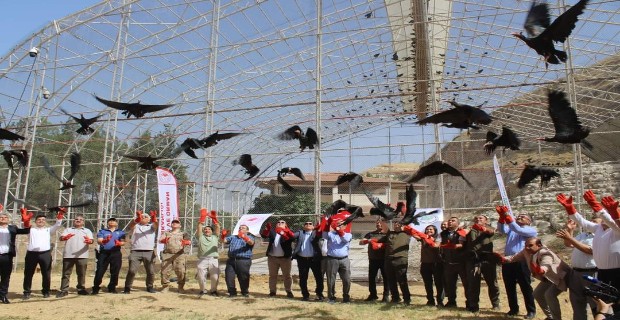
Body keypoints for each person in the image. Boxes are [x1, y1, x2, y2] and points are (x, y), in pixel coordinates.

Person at [557, 191, 620, 314]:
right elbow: (582, 222)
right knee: (606, 305)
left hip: (617, 274)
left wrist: (595, 205)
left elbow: (612, 222)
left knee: (617, 305)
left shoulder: (616, 231)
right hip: (603, 274)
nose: (604, 219)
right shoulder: (599, 229)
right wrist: (570, 209)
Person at [499, 237, 588, 320]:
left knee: (549, 295)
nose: (527, 248)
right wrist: (503, 259)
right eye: (526, 245)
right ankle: (550, 317)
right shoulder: (526, 252)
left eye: (530, 245)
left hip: (562, 277)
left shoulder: (545, 252)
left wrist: (542, 270)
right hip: (549, 278)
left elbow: (547, 264)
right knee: (537, 294)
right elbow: (514, 257)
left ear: (539, 245)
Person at [496, 205, 537, 319]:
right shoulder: (512, 229)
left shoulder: (530, 230)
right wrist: (501, 217)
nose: (519, 217)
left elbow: (517, 229)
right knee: (509, 286)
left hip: (521, 261)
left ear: (529, 221)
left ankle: (531, 310)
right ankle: (513, 309)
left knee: (525, 286)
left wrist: (507, 216)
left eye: (523, 217)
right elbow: (501, 229)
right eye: (518, 216)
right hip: (508, 260)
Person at [556, 217, 599, 317]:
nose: (590, 223)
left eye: (594, 222)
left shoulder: (599, 237)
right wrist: (570, 230)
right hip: (575, 273)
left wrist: (569, 237)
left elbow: (589, 250)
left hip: (590, 273)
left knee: (595, 303)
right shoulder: (583, 235)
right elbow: (568, 244)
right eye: (590, 221)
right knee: (577, 303)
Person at [23, 209, 63, 299]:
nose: (41, 221)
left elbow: (57, 225)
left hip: (45, 254)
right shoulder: (31, 230)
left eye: (43, 220)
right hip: (31, 254)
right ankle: (26, 292)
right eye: (39, 220)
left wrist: (60, 214)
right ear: (36, 221)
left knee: (46, 274)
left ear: (45, 222)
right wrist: (25, 220)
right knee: (28, 274)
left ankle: (46, 291)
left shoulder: (49, 230)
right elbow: (25, 226)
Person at [464, 214, 500, 312]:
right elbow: (463, 234)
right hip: (473, 259)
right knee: (473, 283)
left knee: (492, 283)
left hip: (487, 259)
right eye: (476, 218)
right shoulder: (470, 229)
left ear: (486, 221)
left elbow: (491, 232)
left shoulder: (489, 228)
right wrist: (467, 229)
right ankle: (473, 306)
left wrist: (481, 228)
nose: (478, 219)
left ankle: (495, 303)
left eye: (480, 218)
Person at [56, 214, 94, 297]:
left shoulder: (87, 231)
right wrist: (64, 238)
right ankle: (64, 290)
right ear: (74, 221)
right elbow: (61, 238)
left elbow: (91, 240)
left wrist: (89, 241)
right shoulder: (68, 230)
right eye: (76, 219)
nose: (78, 220)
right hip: (68, 255)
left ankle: (81, 289)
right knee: (66, 273)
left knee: (81, 273)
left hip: (82, 255)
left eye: (80, 219)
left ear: (83, 222)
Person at [0, 205, 31, 304]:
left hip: (7, 256)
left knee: (5, 276)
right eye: (1, 217)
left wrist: (26, 222)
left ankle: (3, 295)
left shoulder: (12, 228)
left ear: (8, 220)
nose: (3, 218)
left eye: (5, 217)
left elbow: (26, 231)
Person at [123, 210, 158, 294]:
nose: (144, 217)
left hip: (149, 251)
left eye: (146, 217)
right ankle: (127, 287)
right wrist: (137, 219)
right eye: (142, 216)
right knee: (132, 270)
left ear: (149, 219)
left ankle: (150, 286)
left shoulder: (151, 227)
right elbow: (131, 225)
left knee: (150, 271)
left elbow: (156, 225)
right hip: (135, 251)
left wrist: (154, 217)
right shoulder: (136, 226)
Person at [379, 221, 412, 305]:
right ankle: (395, 298)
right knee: (391, 280)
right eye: (395, 223)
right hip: (389, 259)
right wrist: (382, 216)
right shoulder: (390, 233)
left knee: (402, 280)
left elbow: (411, 226)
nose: (396, 225)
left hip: (400, 259)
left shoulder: (407, 233)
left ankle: (406, 299)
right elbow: (384, 226)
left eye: (398, 224)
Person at [439, 216, 469, 309]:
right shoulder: (444, 233)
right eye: (449, 221)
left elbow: (461, 245)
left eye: (453, 221)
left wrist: (452, 246)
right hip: (448, 262)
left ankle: (469, 303)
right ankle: (451, 302)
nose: (450, 222)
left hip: (460, 262)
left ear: (458, 223)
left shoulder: (461, 232)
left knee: (466, 283)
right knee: (450, 284)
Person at [323, 213, 352, 303]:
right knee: (331, 279)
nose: (339, 225)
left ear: (345, 226)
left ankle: (346, 296)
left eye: (341, 224)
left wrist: (339, 230)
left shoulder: (348, 234)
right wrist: (327, 222)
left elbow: (345, 239)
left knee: (347, 279)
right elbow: (324, 234)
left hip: (344, 259)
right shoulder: (331, 234)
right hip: (332, 259)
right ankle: (331, 297)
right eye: (338, 224)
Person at [261, 219, 295, 298]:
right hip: (272, 258)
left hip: (285, 258)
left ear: (285, 225)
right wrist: (267, 229)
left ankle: (289, 291)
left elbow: (292, 238)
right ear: (276, 225)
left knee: (287, 275)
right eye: (278, 222)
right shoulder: (273, 231)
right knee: (272, 275)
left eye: (282, 222)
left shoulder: (289, 231)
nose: (280, 223)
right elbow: (264, 236)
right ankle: (272, 291)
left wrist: (283, 233)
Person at [411, 224, 443, 306]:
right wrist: (408, 228)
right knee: (428, 284)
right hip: (425, 263)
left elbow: (436, 246)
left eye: (431, 229)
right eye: (427, 229)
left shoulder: (438, 237)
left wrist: (429, 239)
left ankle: (440, 301)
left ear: (435, 231)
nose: (429, 231)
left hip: (436, 263)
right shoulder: (423, 238)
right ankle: (430, 300)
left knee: (438, 283)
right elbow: (415, 235)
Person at [92, 217, 126, 294]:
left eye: (114, 221)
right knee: (100, 270)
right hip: (104, 253)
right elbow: (99, 241)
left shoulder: (121, 232)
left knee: (115, 271)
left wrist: (119, 243)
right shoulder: (102, 231)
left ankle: (112, 287)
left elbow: (123, 242)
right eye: (110, 221)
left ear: (117, 224)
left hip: (116, 253)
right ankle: (96, 287)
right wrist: (105, 240)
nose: (112, 222)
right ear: (107, 223)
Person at [292, 220, 324, 301]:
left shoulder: (316, 233)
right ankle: (305, 295)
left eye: (310, 224)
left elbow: (321, 234)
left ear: (313, 226)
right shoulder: (300, 233)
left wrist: (319, 227)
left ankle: (319, 294)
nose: (308, 225)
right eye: (306, 223)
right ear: (303, 226)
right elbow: (291, 236)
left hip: (314, 259)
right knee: (303, 278)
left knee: (319, 277)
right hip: (302, 259)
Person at [359, 217, 389, 302]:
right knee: (372, 278)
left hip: (384, 259)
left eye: (380, 223)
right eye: (377, 223)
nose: (378, 225)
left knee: (386, 278)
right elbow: (360, 242)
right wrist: (367, 241)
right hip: (373, 259)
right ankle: (373, 295)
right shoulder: (370, 234)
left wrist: (382, 244)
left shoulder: (387, 234)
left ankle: (386, 296)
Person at [159, 219, 191, 293]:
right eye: (173, 223)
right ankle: (165, 286)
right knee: (165, 271)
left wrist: (186, 242)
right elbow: (160, 240)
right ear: (171, 225)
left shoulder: (183, 233)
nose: (174, 224)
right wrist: (164, 240)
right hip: (167, 254)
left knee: (181, 271)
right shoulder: (166, 233)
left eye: (176, 223)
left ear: (180, 225)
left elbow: (189, 242)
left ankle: (181, 287)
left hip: (179, 254)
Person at [223, 224, 255, 297]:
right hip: (231, 260)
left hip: (243, 260)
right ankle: (232, 292)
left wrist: (244, 237)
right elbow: (224, 241)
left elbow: (251, 243)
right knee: (229, 276)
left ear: (247, 230)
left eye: (243, 228)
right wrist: (223, 236)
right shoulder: (233, 237)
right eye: (239, 228)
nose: (240, 229)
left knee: (243, 277)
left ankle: (244, 292)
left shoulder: (250, 237)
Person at [196, 209, 220, 296]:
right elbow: (199, 226)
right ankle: (203, 290)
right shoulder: (200, 237)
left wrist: (215, 220)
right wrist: (202, 218)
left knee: (214, 277)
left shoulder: (215, 237)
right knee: (201, 277)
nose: (207, 230)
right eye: (205, 229)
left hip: (213, 259)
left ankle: (213, 290)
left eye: (209, 229)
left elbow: (217, 227)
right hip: (202, 259)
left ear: (212, 231)